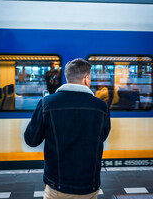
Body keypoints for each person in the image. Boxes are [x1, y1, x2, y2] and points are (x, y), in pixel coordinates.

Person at [24, 58, 111, 199]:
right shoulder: (101, 107)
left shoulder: (47, 103)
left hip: (57, 186)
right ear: (87, 78)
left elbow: (31, 140)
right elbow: (101, 137)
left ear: (67, 77)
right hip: (89, 186)